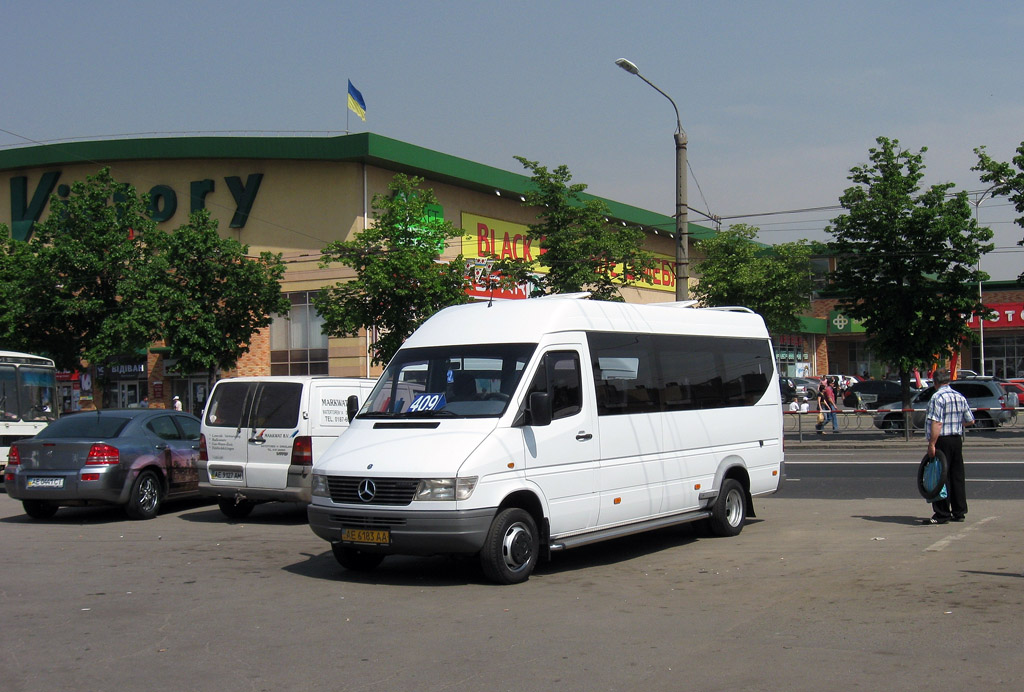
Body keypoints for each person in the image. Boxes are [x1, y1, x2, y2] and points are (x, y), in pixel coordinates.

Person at [923, 369, 974, 525]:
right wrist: (956, 424)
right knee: (956, 475)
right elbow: (970, 420)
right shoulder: (959, 396)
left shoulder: (937, 397)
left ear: (935, 382)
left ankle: (942, 513)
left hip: (942, 440)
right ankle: (959, 511)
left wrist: (932, 443)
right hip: (956, 439)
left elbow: (937, 422)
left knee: (940, 476)